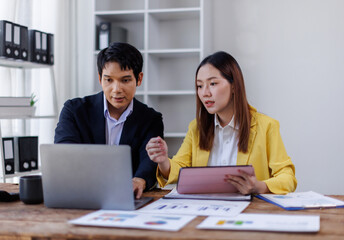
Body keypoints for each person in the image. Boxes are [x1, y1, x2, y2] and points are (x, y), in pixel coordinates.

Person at [146, 51, 297, 195]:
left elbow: (288, 177)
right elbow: (179, 169)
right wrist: (163, 160)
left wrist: (258, 186)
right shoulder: (196, 128)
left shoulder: (266, 126)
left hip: (249, 211)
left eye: (212, 84)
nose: (205, 93)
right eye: (199, 86)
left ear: (234, 85)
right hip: (207, 209)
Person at [54, 42, 164, 198]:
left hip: (127, 197)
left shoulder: (151, 119)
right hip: (80, 193)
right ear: (100, 79)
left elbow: (149, 160)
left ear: (139, 79)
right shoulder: (74, 110)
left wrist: (140, 180)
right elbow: (64, 152)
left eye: (125, 80)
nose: (116, 89)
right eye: (109, 80)